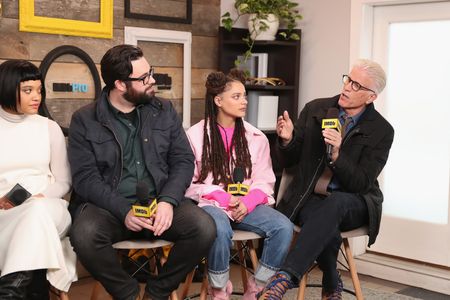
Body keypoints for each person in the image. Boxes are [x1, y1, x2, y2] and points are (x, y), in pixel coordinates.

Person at [67, 44, 216, 300]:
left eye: (151, 72)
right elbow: (85, 179)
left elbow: (183, 160)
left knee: (204, 228)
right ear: (120, 84)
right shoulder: (84, 119)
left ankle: (156, 294)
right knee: (84, 235)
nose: (152, 80)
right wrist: (123, 210)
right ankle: (129, 293)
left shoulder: (164, 110)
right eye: (144, 78)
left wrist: (169, 202)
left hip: (160, 203)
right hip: (111, 209)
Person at [257, 59, 395, 300]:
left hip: (356, 202)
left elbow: (361, 183)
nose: (347, 88)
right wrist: (287, 140)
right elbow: (289, 161)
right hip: (311, 198)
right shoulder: (315, 110)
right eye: (348, 80)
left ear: (371, 97)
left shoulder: (382, 130)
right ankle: (331, 280)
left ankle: (285, 276)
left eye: (356, 85)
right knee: (324, 222)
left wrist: (338, 155)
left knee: (337, 203)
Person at [186, 69, 293, 300]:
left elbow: (265, 180)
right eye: (236, 96)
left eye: (244, 95)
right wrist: (221, 197)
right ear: (218, 100)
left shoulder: (256, 137)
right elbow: (188, 184)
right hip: (210, 207)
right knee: (220, 228)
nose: (244, 101)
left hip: (246, 208)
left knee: (283, 227)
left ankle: (257, 288)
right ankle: (219, 289)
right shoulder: (195, 136)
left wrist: (249, 201)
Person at [0, 59, 77, 299]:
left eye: (39, 90)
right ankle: (15, 290)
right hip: (5, 212)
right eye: (27, 90)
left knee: (35, 211)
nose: (37, 97)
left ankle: (10, 292)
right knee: (30, 218)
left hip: (49, 206)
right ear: (7, 88)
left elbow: (64, 182)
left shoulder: (49, 127)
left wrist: (38, 197)